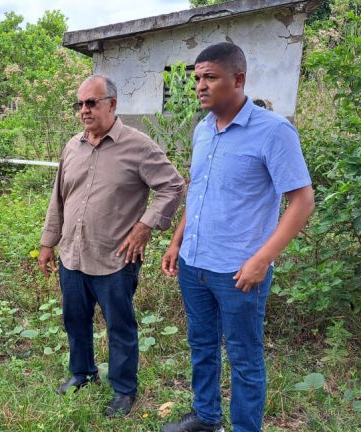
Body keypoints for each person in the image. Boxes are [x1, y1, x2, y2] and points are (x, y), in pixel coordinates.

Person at [159, 43, 315, 432]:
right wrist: (177, 241)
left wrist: (262, 259)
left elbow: (302, 201)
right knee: (202, 345)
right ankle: (206, 416)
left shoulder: (273, 131)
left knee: (244, 356)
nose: (200, 86)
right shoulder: (203, 130)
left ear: (238, 79)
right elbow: (198, 190)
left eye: (210, 77)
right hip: (194, 263)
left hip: (239, 271)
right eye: (197, 78)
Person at [39, 74, 184, 417]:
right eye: (80, 104)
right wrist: (48, 242)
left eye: (92, 102)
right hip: (73, 254)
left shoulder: (138, 146)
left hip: (115, 258)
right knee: (74, 319)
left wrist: (145, 226)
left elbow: (173, 186)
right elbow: (58, 198)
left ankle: (123, 389)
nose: (84, 110)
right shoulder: (72, 146)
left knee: (120, 327)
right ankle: (82, 373)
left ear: (112, 104)